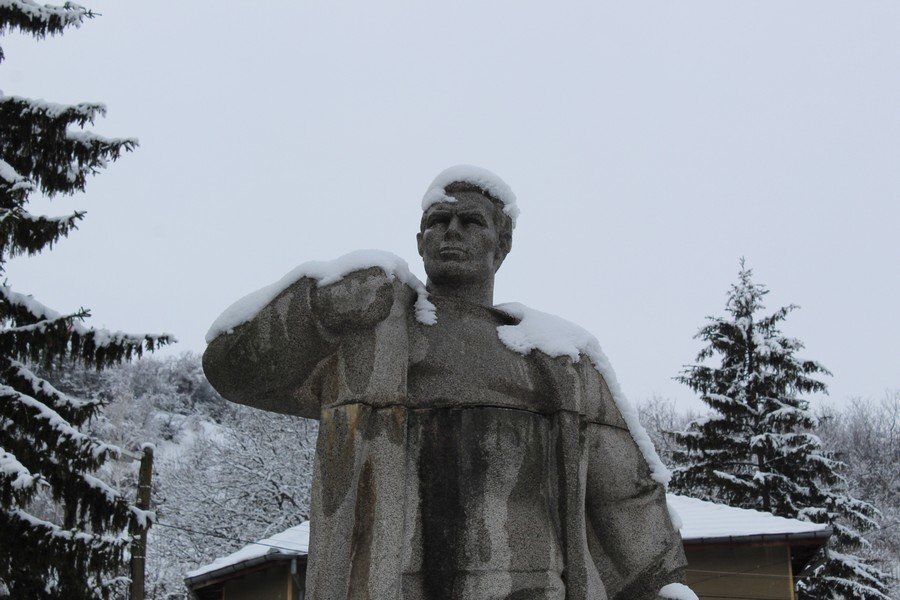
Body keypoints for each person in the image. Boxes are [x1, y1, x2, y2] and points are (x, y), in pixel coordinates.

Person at [203, 166, 687, 600]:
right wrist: (318, 310)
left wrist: (658, 584)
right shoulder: (374, 326)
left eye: (471, 222)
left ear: (502, 243)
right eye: (438, 221)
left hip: (531, 585)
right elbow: (232, 369)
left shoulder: (560, 358)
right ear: (419, 241)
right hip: (392, 583)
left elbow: (625, 492)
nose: (451, 231)